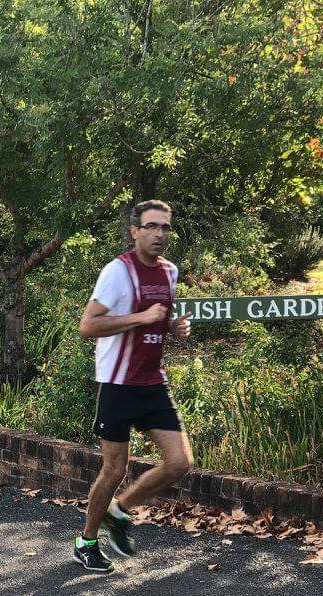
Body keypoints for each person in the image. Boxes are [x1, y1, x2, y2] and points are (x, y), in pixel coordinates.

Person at [74, 200, 193, 573]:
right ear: (135, 231)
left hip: (153, 382)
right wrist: (142, 317)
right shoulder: (117, 272)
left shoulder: (170, 272)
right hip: (118, 384)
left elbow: (161, 318)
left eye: (165, 228)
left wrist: (174, 328)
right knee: (114, 470)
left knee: (180, 463)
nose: (160, 235)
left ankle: (120, 510)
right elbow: (88, 326)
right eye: (152, 227)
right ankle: (86, 542)